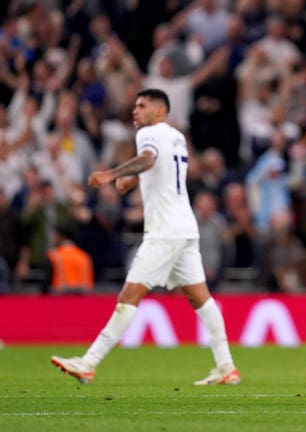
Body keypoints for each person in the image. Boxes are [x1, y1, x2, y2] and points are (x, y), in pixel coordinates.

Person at [50, 89, 240, 386]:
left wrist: (110, 174)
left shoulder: (148, 134)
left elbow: (149, 159)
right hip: (185, 228)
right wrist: (134, 177)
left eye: (142, 106)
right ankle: (226, 366)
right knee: (200, 298)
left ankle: (88, 362)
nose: (135, 111)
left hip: (164, 232)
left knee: (129, 296)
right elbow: (160, 167)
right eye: (135, 105)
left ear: (159, 111)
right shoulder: (177, 137)